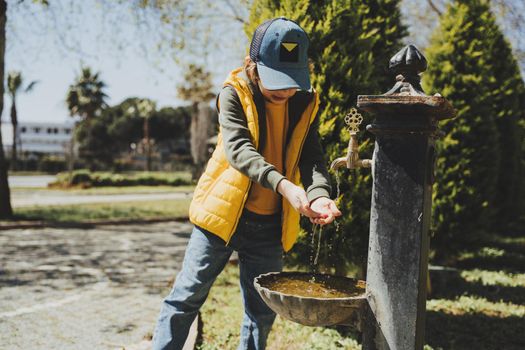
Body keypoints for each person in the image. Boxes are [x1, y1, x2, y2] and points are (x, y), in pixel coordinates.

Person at [152, 17, 341, 350]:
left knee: (261, 314)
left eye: (292, 80)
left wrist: (320, 194)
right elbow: (239, 151)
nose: (285, 90)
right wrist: (285, 186)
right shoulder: (233, 93)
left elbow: (312, 157)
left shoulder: (305, 102)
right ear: (254, 66)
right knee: (185, 299)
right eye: (277, 80)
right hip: (221, 217)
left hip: (270, 225)